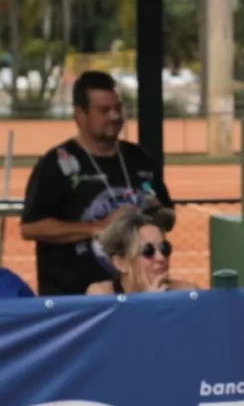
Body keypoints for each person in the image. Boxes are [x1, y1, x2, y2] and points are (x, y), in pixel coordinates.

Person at [20, 71, 174, 296]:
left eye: (118, 108)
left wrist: (146, 217)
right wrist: (98, 227)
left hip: (135, 297)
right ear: (80, 115)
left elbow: (167, 217)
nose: (114, 116)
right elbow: (30, 227)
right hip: (72, 302)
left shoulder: (138, 158)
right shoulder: (55, 164)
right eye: (104, 110)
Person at [86, 208, 196, 294]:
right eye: (148, 251)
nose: (161, 257)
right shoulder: (103, 295)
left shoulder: (186, 294)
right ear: (121, 263)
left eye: (164, 248)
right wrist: (147, 305)